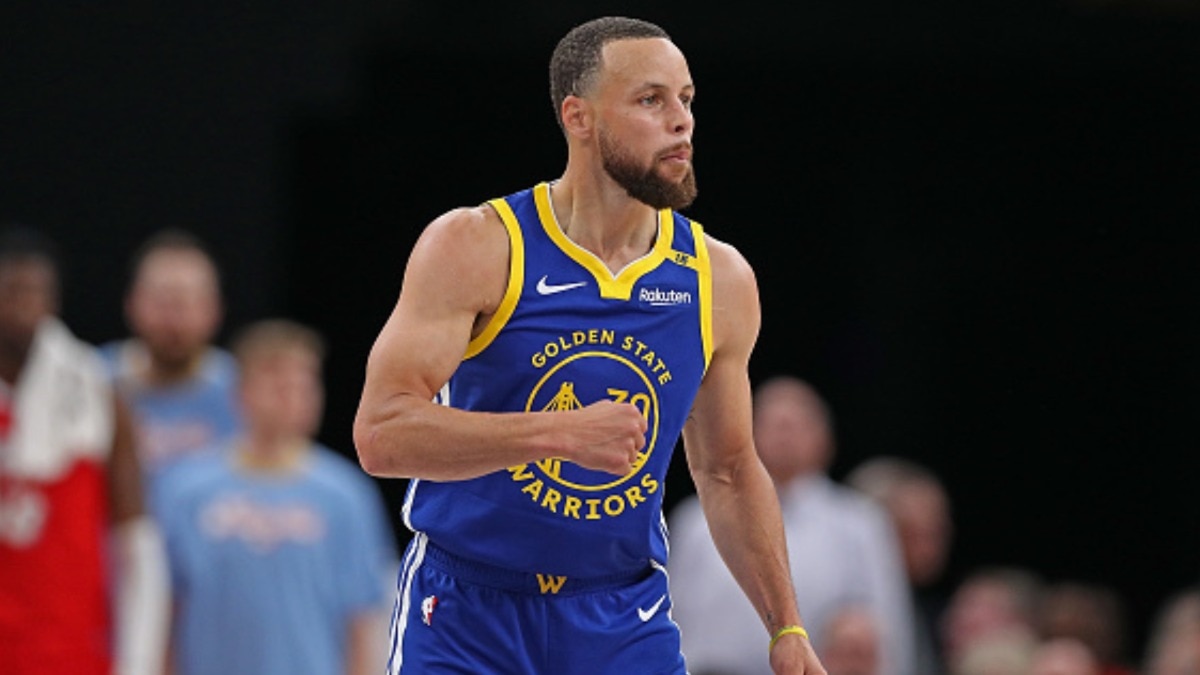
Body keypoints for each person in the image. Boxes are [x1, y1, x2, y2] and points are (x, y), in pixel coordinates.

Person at [352, 15, 827, 675]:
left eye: (686, 99)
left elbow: (727, 469)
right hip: (466, 610)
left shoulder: (717, 277)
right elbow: (382, 434)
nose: (681, 121)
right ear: (578, 117)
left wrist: (787, 629)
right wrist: (556, 433)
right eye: (651, 99)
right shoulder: (479, 244)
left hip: (619, 615)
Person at [155, 318, 396, 675]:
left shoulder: (346, 495)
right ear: (241, 392)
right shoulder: (185, 491)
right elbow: (164, 610)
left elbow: (362, 618)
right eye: (278, 382)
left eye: (304, 383)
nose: (293, 395)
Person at [0, 226, 169, 675]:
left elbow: (137, 543)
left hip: (70, 650)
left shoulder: (97, 392)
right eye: (11, 292)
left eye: (34, 293)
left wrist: (139, 662)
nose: (23, 306)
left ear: (54, 302)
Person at [668, 376, 915, 675]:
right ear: (747, 433)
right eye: (774, 426)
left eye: (796, 426)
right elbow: (671, 611)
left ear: (825, 439)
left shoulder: (859, 522)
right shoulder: (696, 522)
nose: (784, 438)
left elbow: (887, 622)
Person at [100, 227, 241, 513]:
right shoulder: (93, 381)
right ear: (132, 304)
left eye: (187, 302)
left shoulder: (244, 392)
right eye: (162, 302)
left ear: (215, 309)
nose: (174, 320)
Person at [846, 455, 955, 675]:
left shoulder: (937, 614)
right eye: (911, 533)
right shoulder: (849, 621)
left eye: (935, 532)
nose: (927, 549)